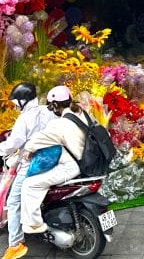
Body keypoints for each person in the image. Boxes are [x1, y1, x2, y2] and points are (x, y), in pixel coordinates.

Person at [0, 83, 55, 259]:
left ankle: (15, 244)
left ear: (23, 101)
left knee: (14, 201)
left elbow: (12, 145)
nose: (15, 106)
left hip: (31, 164)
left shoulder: (24, 119)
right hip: (54, 160)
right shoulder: (47, 111)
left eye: (16, 102)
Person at [19, 85, 92, 236]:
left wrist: (28, 150)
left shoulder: (59, 124)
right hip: (88, 161)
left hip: (71, 167)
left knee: (29, 184)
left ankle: (34, 224)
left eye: (51, 107)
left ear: (55, 105)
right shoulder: (83, 114)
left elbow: (39, 139)